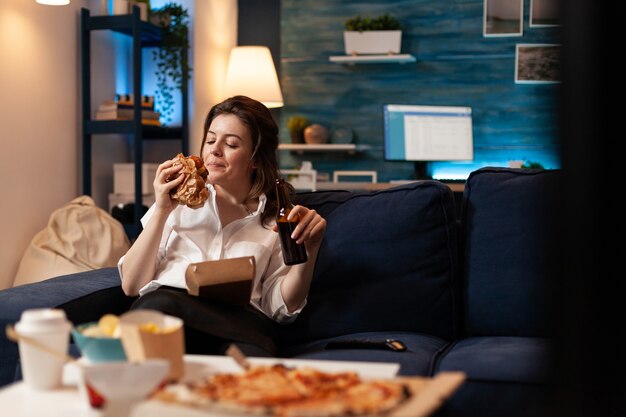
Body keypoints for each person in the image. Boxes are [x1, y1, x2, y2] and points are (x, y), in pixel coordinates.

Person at [117, 95, 326, 356]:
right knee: (156, 306)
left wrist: (311, 248)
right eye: (211, 140)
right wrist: (161, 210)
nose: (215, 150)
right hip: (170, 312)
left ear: (255, 158)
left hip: (240, 323)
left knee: (255, 352)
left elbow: (281, 309)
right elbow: (132, 285)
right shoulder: (174, 203)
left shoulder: (277, 219)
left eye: (231, 144)